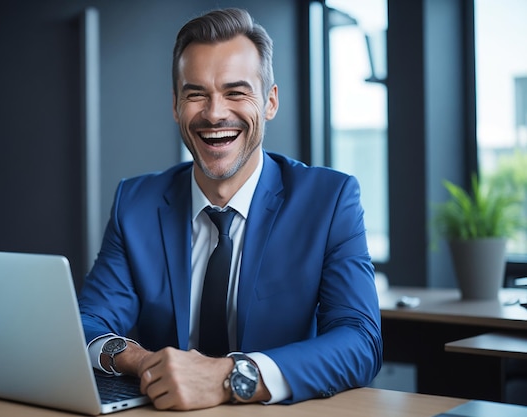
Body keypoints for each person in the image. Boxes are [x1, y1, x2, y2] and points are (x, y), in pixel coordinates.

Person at [78, 7, 382, 411]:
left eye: (235, 92)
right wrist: (145, 362)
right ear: (175, 106)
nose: (214, 113)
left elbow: (360, 341)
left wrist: (232, 378)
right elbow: (84, 325)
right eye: (196, 94)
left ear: (270, 102)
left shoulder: (330, 200)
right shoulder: (136, 203)